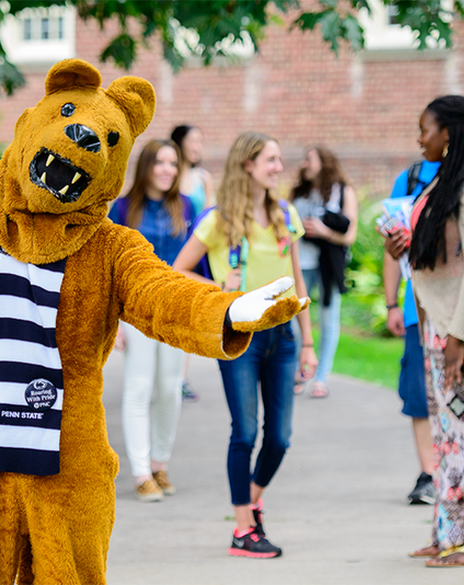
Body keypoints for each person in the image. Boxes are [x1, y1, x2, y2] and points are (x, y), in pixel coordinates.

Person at [173, 131, 318, 559]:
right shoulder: (218, 221)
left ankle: (251, 500)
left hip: (283, 337)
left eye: (278, 159)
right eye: (271, 160)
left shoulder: (285, 214)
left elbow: (298, 280)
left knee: (280, 438)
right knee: (246, 432)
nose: (278, 167)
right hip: (240, 338)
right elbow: (178, 270)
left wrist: (308, 342)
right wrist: (219, 286)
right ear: (247, 166)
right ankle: (242, 530)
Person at [384, 95, 464, 567]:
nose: (420, 138)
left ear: (450, 132)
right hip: (438, 325)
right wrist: (402, 245)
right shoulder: (446, 179)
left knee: (463, 433)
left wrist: (459, 336)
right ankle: (448, 531)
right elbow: (443, 253)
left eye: (425, 129)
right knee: (447, 435)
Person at [109, 139, 195, 502]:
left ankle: (160, 463)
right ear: (145, 166)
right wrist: (113, 321)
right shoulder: (123, 208)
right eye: (159, 163)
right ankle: (141, 472)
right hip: (137, 310)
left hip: (175, 310)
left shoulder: (187, 206)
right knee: (138, 388)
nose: (167, 170)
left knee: (169, 389)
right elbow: (109, 267)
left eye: (173, 164)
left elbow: (195, 260)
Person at [289, 147, 358, 398]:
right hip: (301, 263)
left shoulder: (343, 191)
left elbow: (350, 234)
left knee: (329, 320)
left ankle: (321, 378)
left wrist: (322, 231)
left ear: (324, 162)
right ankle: (300, 370)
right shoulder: (299, 192)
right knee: (294, 319)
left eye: (309, 159)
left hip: (329, 264)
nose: (304, 163)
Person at [171, 124, 215, 402]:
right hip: (173, 248)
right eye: (193, 141)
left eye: (201, 141)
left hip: (196, 251)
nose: (198, 146)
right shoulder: (170, 173)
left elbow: (211, 213)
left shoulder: (203, 177)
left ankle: (181, 377)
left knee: (187, 314)